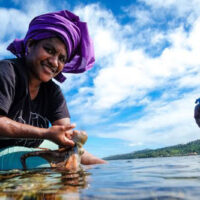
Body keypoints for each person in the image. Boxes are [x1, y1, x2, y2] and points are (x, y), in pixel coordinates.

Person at [0, 10, 106, 170]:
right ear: (30, 45)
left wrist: (108, 170)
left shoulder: (53, 92)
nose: (55, 62)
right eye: (49, 50)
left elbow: (66, 139)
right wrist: (45, 133)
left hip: (28, 149)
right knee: (55, 166)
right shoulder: (8, 71)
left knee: (81, 162)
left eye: (62, 58)